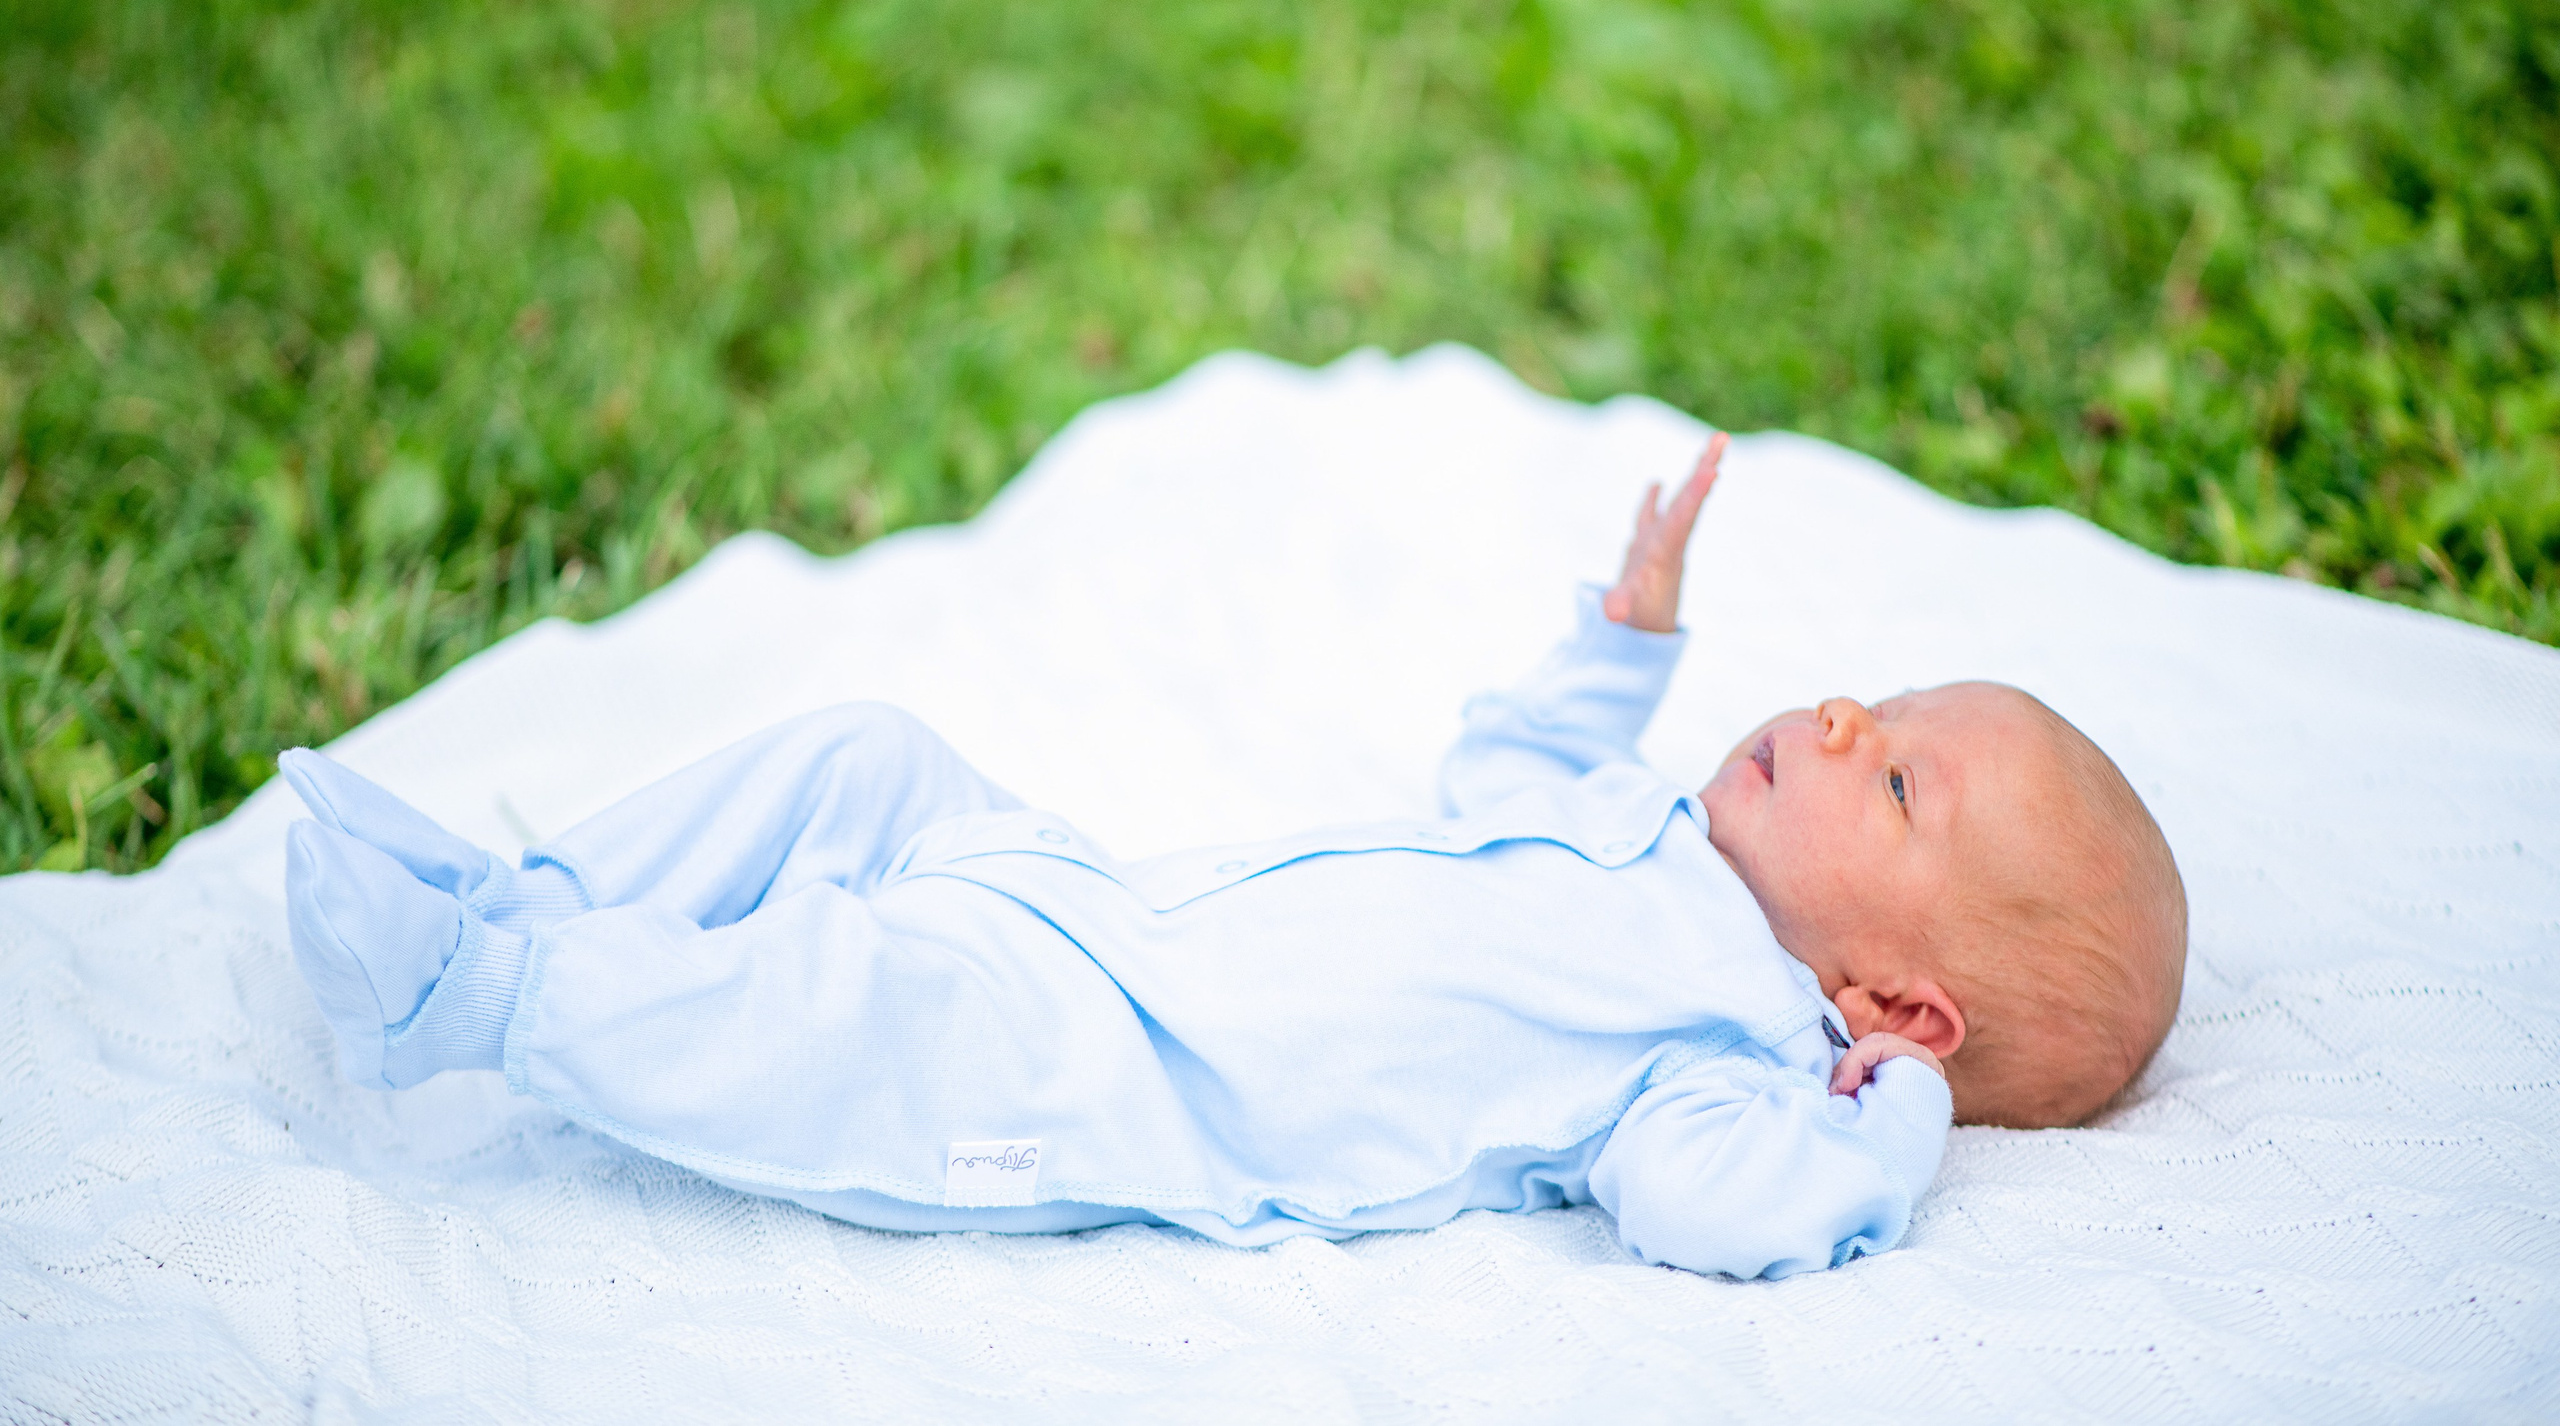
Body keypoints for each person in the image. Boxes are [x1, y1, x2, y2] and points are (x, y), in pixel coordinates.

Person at [276, 435, 2187, 1280]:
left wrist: (1888, 1120)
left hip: (1090, 1078)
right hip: (1092, 898)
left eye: (1903, 786)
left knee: (821, 1018)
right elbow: (1497, 765)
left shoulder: (1724, 1059)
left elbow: (1728, 1220)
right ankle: (529, 901)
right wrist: (1622, 641)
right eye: (1888, 701)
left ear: (1898, 1002)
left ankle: (481, 992)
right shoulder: (1645, 832)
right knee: (863, 760)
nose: (1849, 719)